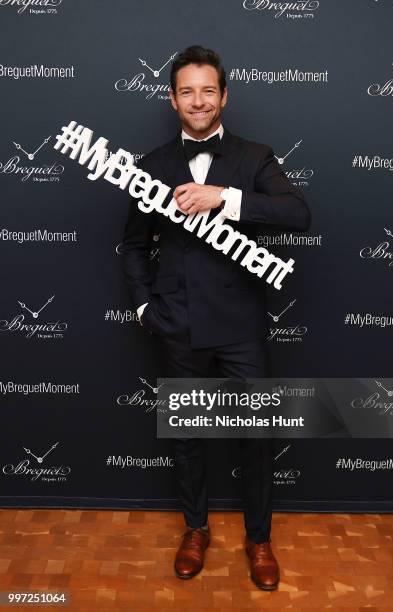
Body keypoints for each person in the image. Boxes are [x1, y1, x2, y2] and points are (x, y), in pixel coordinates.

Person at [121, 45, 311, 591]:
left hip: (239, 325)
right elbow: (133, 246)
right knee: (185, 435)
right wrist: (142, 306)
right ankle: (195, 529)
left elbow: (298, 213)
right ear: (172, 99)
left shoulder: (255, 158)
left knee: (255, 436)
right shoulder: (152, 165)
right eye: (187, 91)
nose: (198, 101)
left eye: (208, 90)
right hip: (177, 324)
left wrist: (225, 197)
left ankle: (259, 539)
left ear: (224, 96)